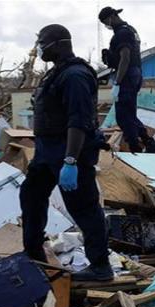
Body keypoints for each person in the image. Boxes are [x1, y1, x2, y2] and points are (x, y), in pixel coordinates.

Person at [21, 24, 113, 282]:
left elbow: (79, 121)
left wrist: (70, 161)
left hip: (71, 151)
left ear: (59, 43)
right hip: (46, 152)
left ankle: (100, 266)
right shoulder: (56, 74)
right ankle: (34, 253)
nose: (39, 48)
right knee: (31, 196)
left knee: (84, 207)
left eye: (42, 42)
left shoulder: (75, 76)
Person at [98, 6, 155, 153]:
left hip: (127, 76)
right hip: (134, 74)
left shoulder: (122, 33)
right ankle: (149, 144)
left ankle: (135, 149)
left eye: (106, 22)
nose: (107, 25)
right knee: (129, 115)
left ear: (111, 17)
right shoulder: (130, 30)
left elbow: (125, 57)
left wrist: (118, 82)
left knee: (123, 116)